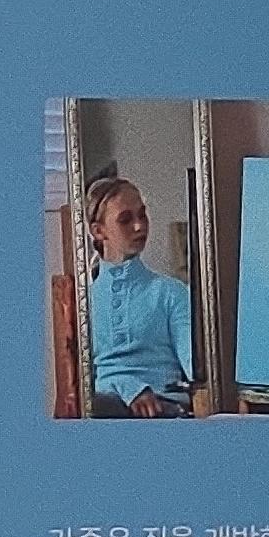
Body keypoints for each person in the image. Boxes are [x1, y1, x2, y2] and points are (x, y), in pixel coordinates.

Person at [83, 175, 195, 414]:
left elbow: (196, 369)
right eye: (125, 220)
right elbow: (81, 381)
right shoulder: (83, 300)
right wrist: (127, 387)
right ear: (98, 231)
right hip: (105, 406)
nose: (139, 226)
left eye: (142, 215)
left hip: (164, 408)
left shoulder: (171, 293)